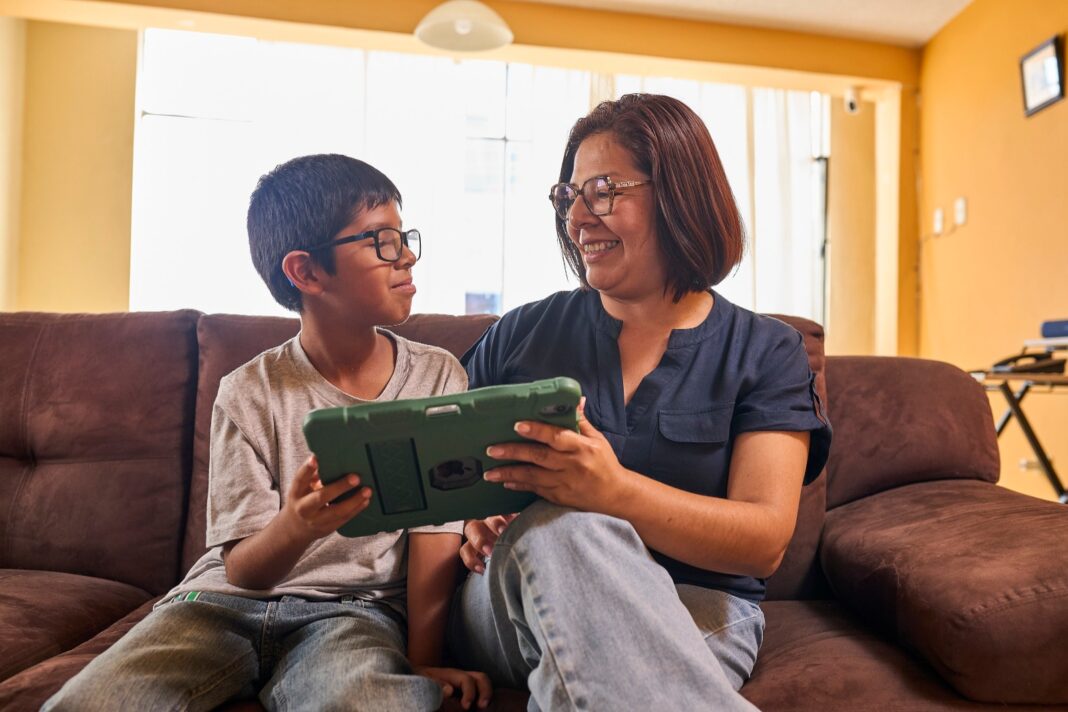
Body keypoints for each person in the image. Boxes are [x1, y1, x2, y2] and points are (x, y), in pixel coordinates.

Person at [44, 154, 491, 712]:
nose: (406, 255)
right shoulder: (247, 392)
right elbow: (243, 570)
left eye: (404, 236)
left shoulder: (437, 377)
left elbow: (435, 535)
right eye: (381, 240)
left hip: (353, 613)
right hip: (217, 605)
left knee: (374, 702)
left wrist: (422, 660)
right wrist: (297, 526)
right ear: (306, 272)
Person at [447, 94, 832, 710]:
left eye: (603, 191)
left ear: (680, 196)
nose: (578, 217)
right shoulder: (523, 332)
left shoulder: (766, 350)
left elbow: (763, 541)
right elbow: (433, 475)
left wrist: (612, 491)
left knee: (575, 558)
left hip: (696, 605)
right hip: (511, 599)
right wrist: (467, 520)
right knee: (558, 532)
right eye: (569, 195)